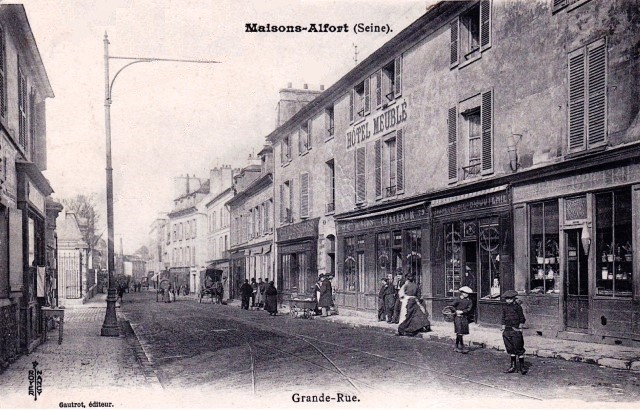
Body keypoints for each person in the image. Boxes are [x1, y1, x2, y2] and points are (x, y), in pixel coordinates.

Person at [501, 290, 527, 375]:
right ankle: (513, 366)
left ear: (513, 299)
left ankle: (522, 367)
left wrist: (520, 327)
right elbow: (503, 318)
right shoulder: (505, 307)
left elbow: (522, 318)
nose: (508, 301)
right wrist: (503, 326)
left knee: (519, 348)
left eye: (510, 299)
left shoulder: (517, 307)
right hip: (507, 330)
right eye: (506, 299)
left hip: (515, 330)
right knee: (510, 348)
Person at [452, 286, 474, 353]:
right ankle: (462, 346)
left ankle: (456, 346)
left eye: (467, 293)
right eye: (464, 293)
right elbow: (451, 306)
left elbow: (469, 309)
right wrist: (456, 311)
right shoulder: (458, 299)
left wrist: (463, 312)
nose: (466, 294)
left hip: (464, 317)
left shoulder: (469, 301)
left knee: (461, 332)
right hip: (457, 317)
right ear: (462, 293)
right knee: (459, 331)